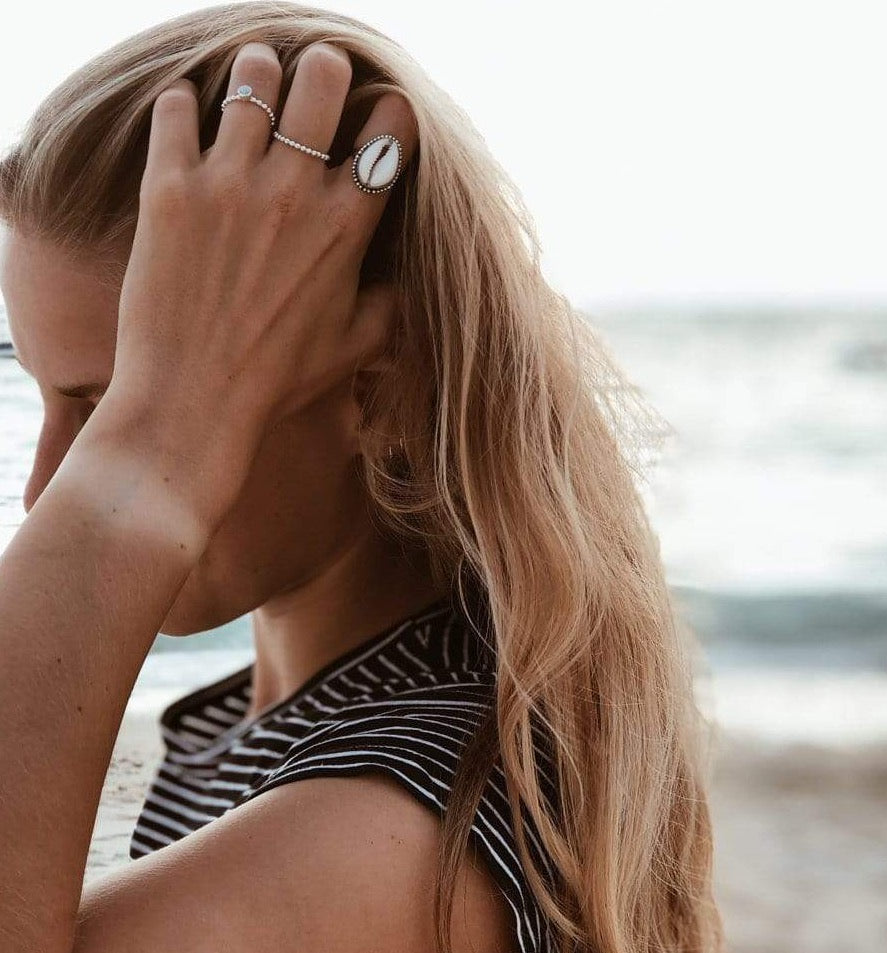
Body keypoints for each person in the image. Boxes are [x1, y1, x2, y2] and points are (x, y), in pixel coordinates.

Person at [0, 3, 723, 951]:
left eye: (121, 411)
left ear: (378, 396)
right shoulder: (276, 724)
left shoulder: (385, 835)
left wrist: (144, 471)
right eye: (44, 398)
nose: (48, 487)